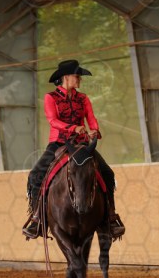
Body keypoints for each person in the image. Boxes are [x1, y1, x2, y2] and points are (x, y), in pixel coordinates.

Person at [23, 59, 125, 240]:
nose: (79, 79)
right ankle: (37, 219)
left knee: (107, 174)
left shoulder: (83, 98)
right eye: (77, 76)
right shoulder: (50, 98)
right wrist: (74, 128)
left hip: (82, 145)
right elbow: (53, 121)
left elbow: (91, 118)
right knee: (35, 175)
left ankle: (110, 217)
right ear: (66, 77)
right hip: (58, 143)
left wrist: (94, 130)